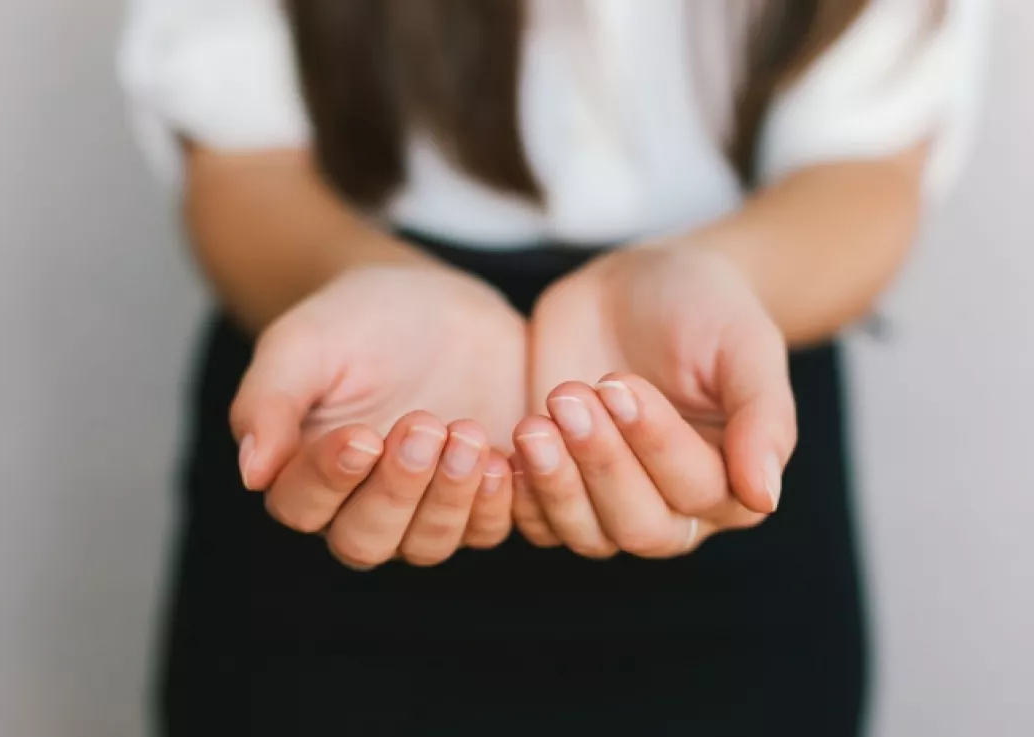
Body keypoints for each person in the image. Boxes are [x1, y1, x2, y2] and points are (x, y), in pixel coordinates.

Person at [120, 1, 986, 735]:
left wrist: (723, 281)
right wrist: (353, 278)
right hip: (348, 392)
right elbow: (241, 166)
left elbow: (867, 167)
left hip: (707, 393)